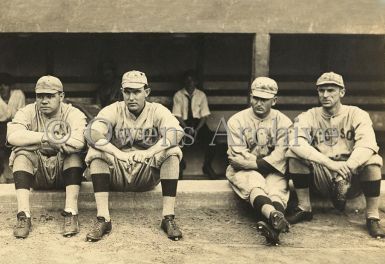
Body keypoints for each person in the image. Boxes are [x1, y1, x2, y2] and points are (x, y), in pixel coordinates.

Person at [84, 70, 184, 242]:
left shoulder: (157, 110)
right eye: (127, 91)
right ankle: (103, 219)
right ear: (122, 92)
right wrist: (118, 154)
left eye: (137, 91)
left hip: (146, 173)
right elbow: (91, 133)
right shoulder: (113, 110)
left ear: (147, 92)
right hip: (117, 173)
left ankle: (168, 218)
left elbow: (177, 133)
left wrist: (150, 152)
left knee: (173, 152)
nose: (131, 97)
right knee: (96, 152)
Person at [286, 72, 385, 238]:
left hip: (351, 174)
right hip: (323, 172)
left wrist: (348, 166)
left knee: (374, 160)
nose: (325, 95)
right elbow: (296, 142)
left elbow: (368, 144)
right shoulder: (310, 115)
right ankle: (304, 208)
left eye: (331, 90)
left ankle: (372, 216)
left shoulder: (357, 114)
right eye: (321, 90)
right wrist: (330, 164)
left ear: (342, 92)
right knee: (293, 155)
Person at [7, 75, 87, 239]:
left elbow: (79, 141)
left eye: (50, 96)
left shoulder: (73, 113)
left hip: (64, 174)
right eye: (40, 96)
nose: (44, 100)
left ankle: (71, 212)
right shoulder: (27, 111)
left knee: (73, 154)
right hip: (37, 174)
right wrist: (46, 137)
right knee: (21, 154)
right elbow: (12, 136)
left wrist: (31, 140)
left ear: (61, 96)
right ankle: (24, 215)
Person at [226, 77, 292, 245]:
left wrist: (254, 163)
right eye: (256, 98)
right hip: (244, 170)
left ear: (274, 100)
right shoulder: (237, 120)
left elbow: (281, 155)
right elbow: (238, 154)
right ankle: (274, 216)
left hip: (272, 169)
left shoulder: (284, 122)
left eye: (264, 99)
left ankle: (273, 224)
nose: (259, 103)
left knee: (276, 189)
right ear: (250, 97)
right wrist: (256, 165)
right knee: (254, 184)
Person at [172, 71, 219, 179]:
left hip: (198, 124)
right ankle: (180, 165)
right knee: (175, 139)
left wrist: (197, 130)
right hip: (183, 123)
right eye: (187, 80)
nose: (190, 83)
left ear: (196, 82)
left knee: (213, 140)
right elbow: (177, 115)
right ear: (184, 82)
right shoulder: (178, 95)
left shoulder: (201, 95)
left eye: (192, 80)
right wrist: (186, 129)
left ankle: (207, 166)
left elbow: (204, 116)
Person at [0, 73, 25, 183]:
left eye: (5, 84)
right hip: (1, 127)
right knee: (1, 147)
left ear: (10, 86)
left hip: (16, 124)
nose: (2, 88)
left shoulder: (18, 94)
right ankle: (1, 174)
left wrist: (8, 117)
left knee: (19, 147)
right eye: (0, 85)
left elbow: (21, 113)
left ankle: (18, 173)